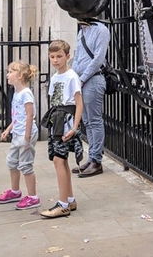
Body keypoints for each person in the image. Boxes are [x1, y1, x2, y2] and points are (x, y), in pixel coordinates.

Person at [39, 41, 83, 218]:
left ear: (67, 56)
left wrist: (74, 127)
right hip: (56, 120)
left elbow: (79, 103)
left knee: (59, 160)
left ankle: (63, 204)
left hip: (66, 120)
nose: (55, 60)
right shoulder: (56, 77)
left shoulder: (72, 77)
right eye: (52, 57)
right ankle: (70, 200)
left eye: (59, 56)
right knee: (60, 161)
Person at [0, 61, 40, 210]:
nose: (7, 75)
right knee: (12, 162)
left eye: (10, 72)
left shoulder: (26, 93)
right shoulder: (16, 92)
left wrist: (27, 137)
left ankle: (33, 197)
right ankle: (15, 191)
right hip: (17, 133)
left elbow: (29, 115)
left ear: (20, 76)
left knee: (26, 165)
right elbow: (17, 116)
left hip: (25, 134)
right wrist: (8, 129)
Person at [70, 22, 109, 178]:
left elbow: (98, 59)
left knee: (94, 121)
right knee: (86, 121)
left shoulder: (101, 30)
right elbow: (78, 57)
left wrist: (82, 78)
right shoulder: (82, 31)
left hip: (93, 79)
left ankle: (96, 161)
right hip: (81, 81)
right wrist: (73, 78)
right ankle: (91, 157)